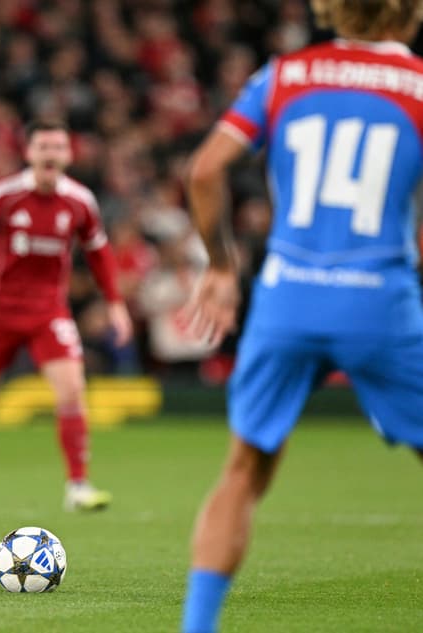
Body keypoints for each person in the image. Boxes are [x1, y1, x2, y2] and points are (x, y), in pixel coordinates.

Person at [181, 1, 423, 631]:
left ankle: (197, 626)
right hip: (380, 297)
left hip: (287, 295)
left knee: (244, 471)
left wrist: (222, 266)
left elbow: (205, 170)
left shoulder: (283, 76)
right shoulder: (419, 87)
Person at [0, 120, 133, 515]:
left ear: (68, 155)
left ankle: (78, 486)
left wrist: (115, 304)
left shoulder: (80, 201)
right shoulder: (4, 196)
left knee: (72, 392)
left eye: (58, 147)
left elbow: (99, 255)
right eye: (43, 146)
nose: (50, 153)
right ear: (28, 153)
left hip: (49, 311)